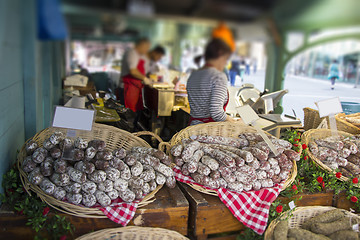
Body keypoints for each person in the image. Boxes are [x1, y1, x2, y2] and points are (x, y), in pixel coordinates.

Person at [187, 38, 237, 125]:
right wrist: (233, 121)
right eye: (226, 59)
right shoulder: (218, 76)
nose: (225, 63)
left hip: (194, 127)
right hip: (210, 130)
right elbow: (216, 113)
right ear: (220, 55)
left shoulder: (193, 75)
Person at [120, 37, 153, 129]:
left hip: (136, 87)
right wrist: (145, 78)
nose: (147, 50)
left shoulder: (140, 56)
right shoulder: (132, 53)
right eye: (146, 47)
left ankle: (132, 133)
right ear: (141, 45)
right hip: (129, 87)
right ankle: (126, 135)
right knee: (128, 115)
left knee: (135, 114)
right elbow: (133, 71)